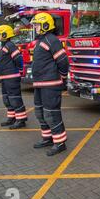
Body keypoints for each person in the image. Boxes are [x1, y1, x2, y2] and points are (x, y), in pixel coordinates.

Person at [30, 12, 69, 157]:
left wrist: (62, 77)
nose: (35, 28)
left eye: (37, 25)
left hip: (51, 84)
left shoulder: (52, 40)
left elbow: (63, 61)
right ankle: (47, 138)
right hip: (39, 84)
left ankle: (59, 142)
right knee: (40, 112)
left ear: (46, 25)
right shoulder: (41, 40)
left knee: (51, 114)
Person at [0, 25, 27, 129]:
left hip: (11, 77)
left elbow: (18, 59)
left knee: (14, 98)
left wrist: (19, 70)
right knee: (7, 99)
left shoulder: (10, 45)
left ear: (5, 34)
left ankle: (21, 120)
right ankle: (12, 118)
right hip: (5, 77)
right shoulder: (5, 46)